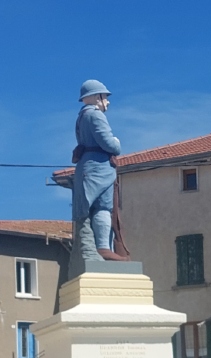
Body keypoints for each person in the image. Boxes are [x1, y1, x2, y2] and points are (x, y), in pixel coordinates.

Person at [71, 79, 127, 275]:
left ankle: (102, 247)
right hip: (99, 167)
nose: (108, 102)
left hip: (88, 167)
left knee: (94, 209)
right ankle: (104, 247)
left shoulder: (81, 117)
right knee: (103, 207)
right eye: (105, 97)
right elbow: (111, 145)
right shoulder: (95, 115)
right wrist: (117, 142)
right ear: (96, 97)